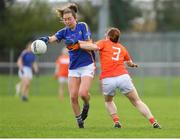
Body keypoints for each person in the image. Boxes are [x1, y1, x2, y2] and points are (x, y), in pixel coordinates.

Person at [79, 27, 161, 129]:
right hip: (123, 77)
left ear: (108, 36)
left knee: (108, 101)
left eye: (106, 34)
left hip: (108, 79)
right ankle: (153, 121)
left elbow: (92, 47)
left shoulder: (103, 42)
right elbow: (129, 62)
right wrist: (132, 65)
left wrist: (78, 44)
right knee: (137, 101)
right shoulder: (122, 48)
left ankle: (116, 122)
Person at [38, 3, 95, 128]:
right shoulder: (64, 32)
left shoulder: (83, 26)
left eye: (69, 19)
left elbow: (90, 44)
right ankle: (80, 121)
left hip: (87, 65)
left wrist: (77, 43)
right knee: (73, 96)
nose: (67, 21)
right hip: (73, 68)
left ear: (75, 18)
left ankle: (86, 104)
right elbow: (53, 38)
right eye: (65, 19)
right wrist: (45, 40)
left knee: (83, 94)